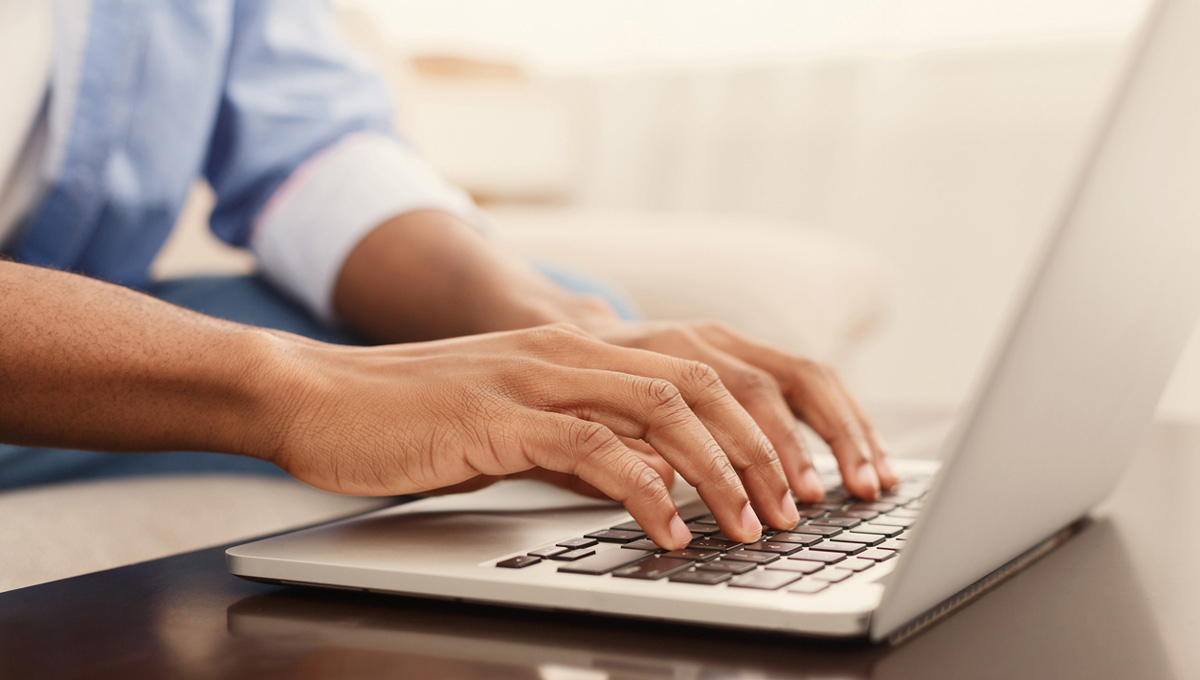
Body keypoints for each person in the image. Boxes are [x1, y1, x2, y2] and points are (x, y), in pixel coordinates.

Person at [0, 0, 897, 551]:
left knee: (577, 363)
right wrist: (301, 389)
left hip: (76, 305)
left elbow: (310, 153)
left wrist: (558, 322)